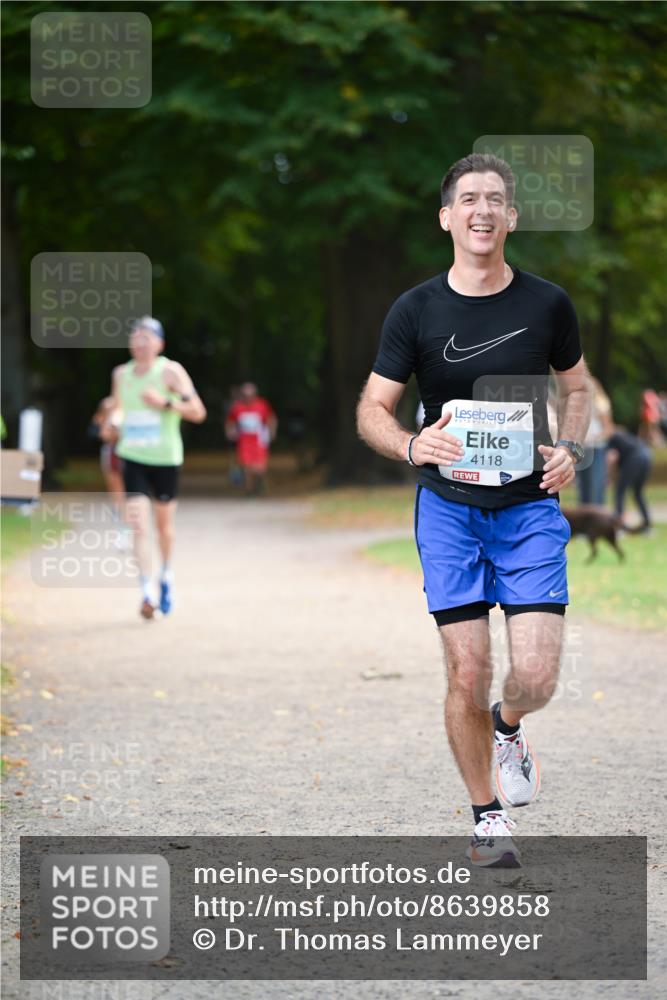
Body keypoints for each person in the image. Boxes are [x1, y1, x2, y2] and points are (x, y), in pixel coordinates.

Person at [357, 153, 591, 868]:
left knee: (536, 677)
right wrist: (409, 445)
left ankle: (507, 725)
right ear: (446, 217)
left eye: (494, 199)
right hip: (449, 510)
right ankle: (487, 816)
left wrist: (570, 449)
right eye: (468, 199)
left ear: (510, 217)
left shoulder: (547, 303)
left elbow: (577, 390)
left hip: (528, 508)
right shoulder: (416, 309)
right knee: (466, 669)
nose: (481, 210)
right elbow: (372, 408)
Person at [111, 316, 206, 619]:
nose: (139, 343)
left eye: (146, 338)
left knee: (163, 528)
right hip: (133, 457)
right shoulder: (121, 374)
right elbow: (119, 408)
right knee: (138, 524)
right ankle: (146, 590)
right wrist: (114, 422)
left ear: (159, 344)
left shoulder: (170, 372)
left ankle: (165, 575)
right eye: (135, 338)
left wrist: (165, 403)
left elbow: (198, 412)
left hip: (165, 459)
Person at [225, 382, 277, 495]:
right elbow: (230, 421)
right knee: (247, 467)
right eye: (245, 395)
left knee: (260, 468)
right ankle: (249, 490)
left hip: (259, 440)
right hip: (244, 441)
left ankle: (259, 483)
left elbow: (271, 418)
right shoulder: (237, 407)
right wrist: (230, 432)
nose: (247, 398)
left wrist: (271, 432)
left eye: (250, 395)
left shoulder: (262, 405)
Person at [575, 376, 613, 505]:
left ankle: (597, 514)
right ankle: (585, 515)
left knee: (595, 485)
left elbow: (608, 429)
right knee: (583, 487)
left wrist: (593, 437)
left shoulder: (600, 404)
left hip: (596, 449)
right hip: (582, 449)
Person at [607, 427, 653, 531]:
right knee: (638, 492)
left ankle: (619, 524)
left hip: (635, 458)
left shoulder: (613, 438)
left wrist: (607, 476)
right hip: (647, 456)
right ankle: (647, 524)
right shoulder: (625, 436)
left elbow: (612, 457)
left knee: (619, 491)